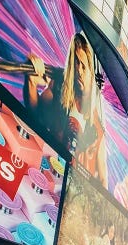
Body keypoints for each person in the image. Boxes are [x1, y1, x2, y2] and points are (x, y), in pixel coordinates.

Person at [25, 32, 107, 188]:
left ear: (92, 72)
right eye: (76, 65)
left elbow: (103, 180)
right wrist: (31, 82)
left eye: (84, 66)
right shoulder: (59, 90)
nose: (79, 72)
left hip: (72, 192)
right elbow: (35, 115)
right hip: (45, 174)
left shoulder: (98, 127)